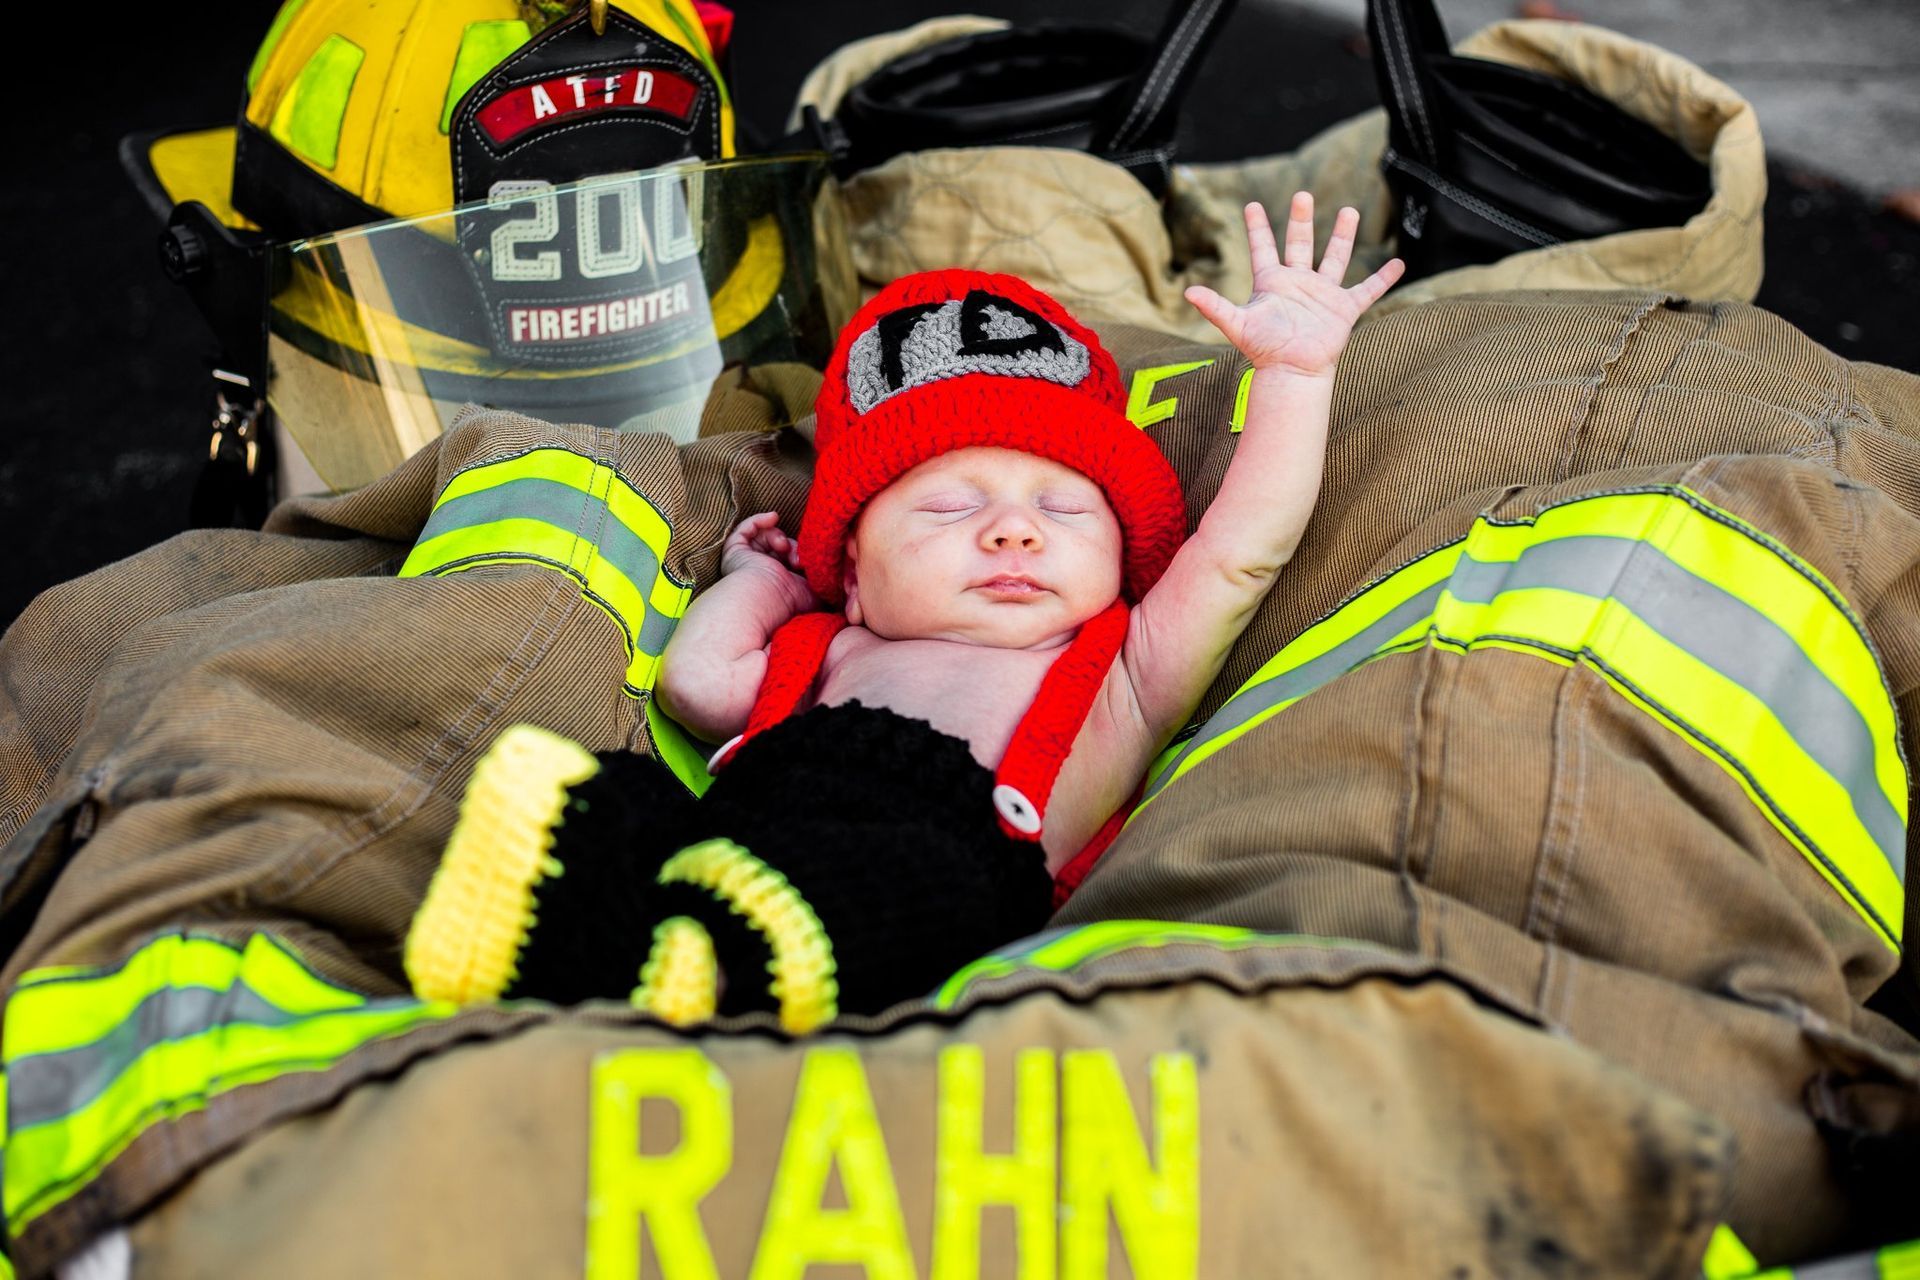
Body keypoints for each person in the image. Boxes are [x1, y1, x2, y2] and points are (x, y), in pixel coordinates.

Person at [402, 193, 1404, 1029]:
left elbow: (1244, 548)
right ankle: (567, 930)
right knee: (625, 799)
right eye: (949, 505)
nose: (1014, 532)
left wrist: (1296, 374)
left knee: (910, 883)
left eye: (1062, 507)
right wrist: (764, 585)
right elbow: (701, 685)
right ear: (857, 569)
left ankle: (704, 959)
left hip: (957, 860)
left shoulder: (1129, 671)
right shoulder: (832, 645)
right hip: (773, 806)